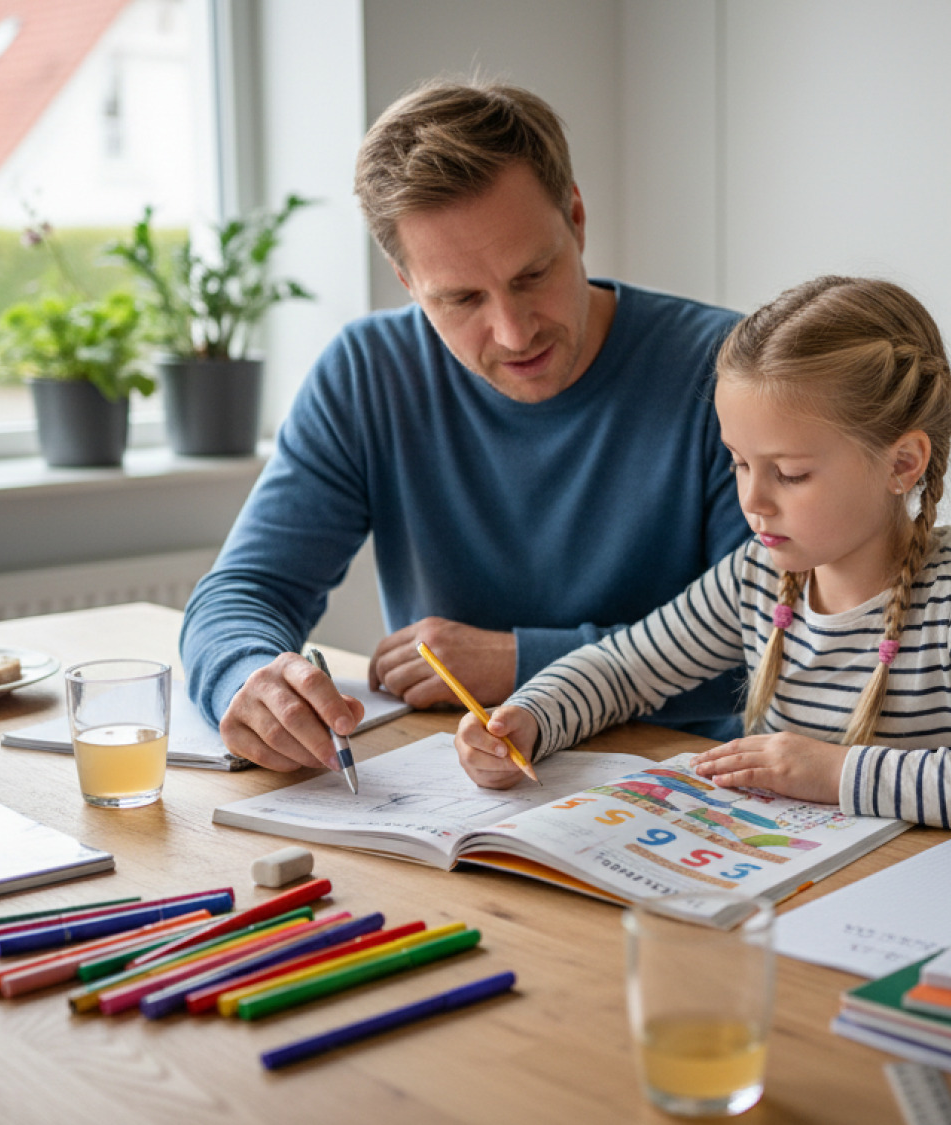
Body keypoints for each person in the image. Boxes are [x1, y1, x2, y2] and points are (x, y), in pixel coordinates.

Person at [181, 80, 749, 771]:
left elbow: (776, 641)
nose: (513, 332)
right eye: (460, 298)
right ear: (406, 280)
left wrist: (521, 660)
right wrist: (248, 675)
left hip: (686, 783)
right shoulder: (369, 372)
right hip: (458, 794)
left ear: (575, 217)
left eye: (533, 274)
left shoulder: (732, 372)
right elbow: (245, 591)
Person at [456, 276, 951, 834]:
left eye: (791, 473)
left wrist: (836, 773)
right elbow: (626, 668)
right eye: (740, 464)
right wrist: (529, 718)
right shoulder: (758, 576)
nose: (754, 500)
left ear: (902, 463)